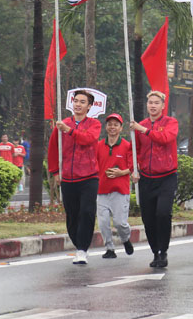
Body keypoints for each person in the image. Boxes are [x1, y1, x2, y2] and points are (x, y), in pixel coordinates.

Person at [47, 90, 101, 265]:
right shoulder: (62, 125)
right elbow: (53, 149)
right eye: (76, 101)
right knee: (72, 215)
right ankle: (79, 244)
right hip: (68, 177)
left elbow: (88, 140)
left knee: (87, 212)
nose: (78, 104)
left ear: (89, 106)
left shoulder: (94, 124)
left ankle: (82, 249)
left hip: (89, 176)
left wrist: (69, 131)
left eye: (82, 102)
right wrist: (56, 171)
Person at [131, 90, 179, 268]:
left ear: (162, 105)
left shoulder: (170, 123)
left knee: (163, 213)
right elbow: (134, 150)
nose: (152, 105)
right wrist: (133, 169)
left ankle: (163, 250)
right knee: (148, 217)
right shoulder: (140, 125)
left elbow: (165, 138)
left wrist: (144, 130)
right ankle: (155, 251)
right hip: (146, 178)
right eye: (150, 102)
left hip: (167, 177)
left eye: (156, 102)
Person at [96, 113, 134, 259]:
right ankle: (109, 248)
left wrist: (121, 172)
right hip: (102, 190)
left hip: (120, 190)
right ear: (106, 127)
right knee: (104, 222)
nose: (112, 127)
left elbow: (132, 167)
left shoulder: (127, 146)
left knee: (119, 223)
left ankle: (125, 239)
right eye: (110, 124)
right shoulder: (99, 145)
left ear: (121, 128)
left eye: (115, 125)